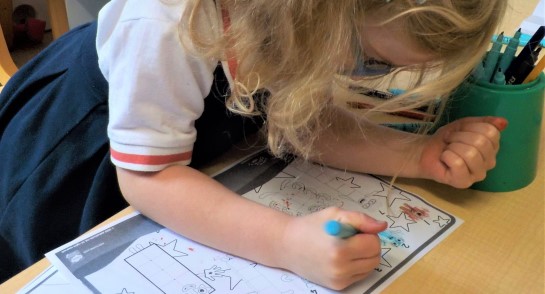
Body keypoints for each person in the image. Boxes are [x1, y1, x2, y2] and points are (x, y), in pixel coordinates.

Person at [0, 0, 508, 289]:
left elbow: (295, 119)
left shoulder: (297, 20)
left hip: (194, 148)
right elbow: (148, 177)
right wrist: (284, 243)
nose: (366, 77)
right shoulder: (169, 23)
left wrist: (418, 155)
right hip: (82, 160)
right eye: (368, 60)